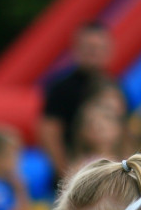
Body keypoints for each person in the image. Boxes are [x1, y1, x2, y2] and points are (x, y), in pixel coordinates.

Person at [39, 22, 118, 184]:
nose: (94, 53)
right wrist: (66, 175)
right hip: (74, 172)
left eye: (99, 48)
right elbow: (49, 132)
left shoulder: (114, 86)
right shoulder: (61, 88)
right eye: (89, 47)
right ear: (76, 49)